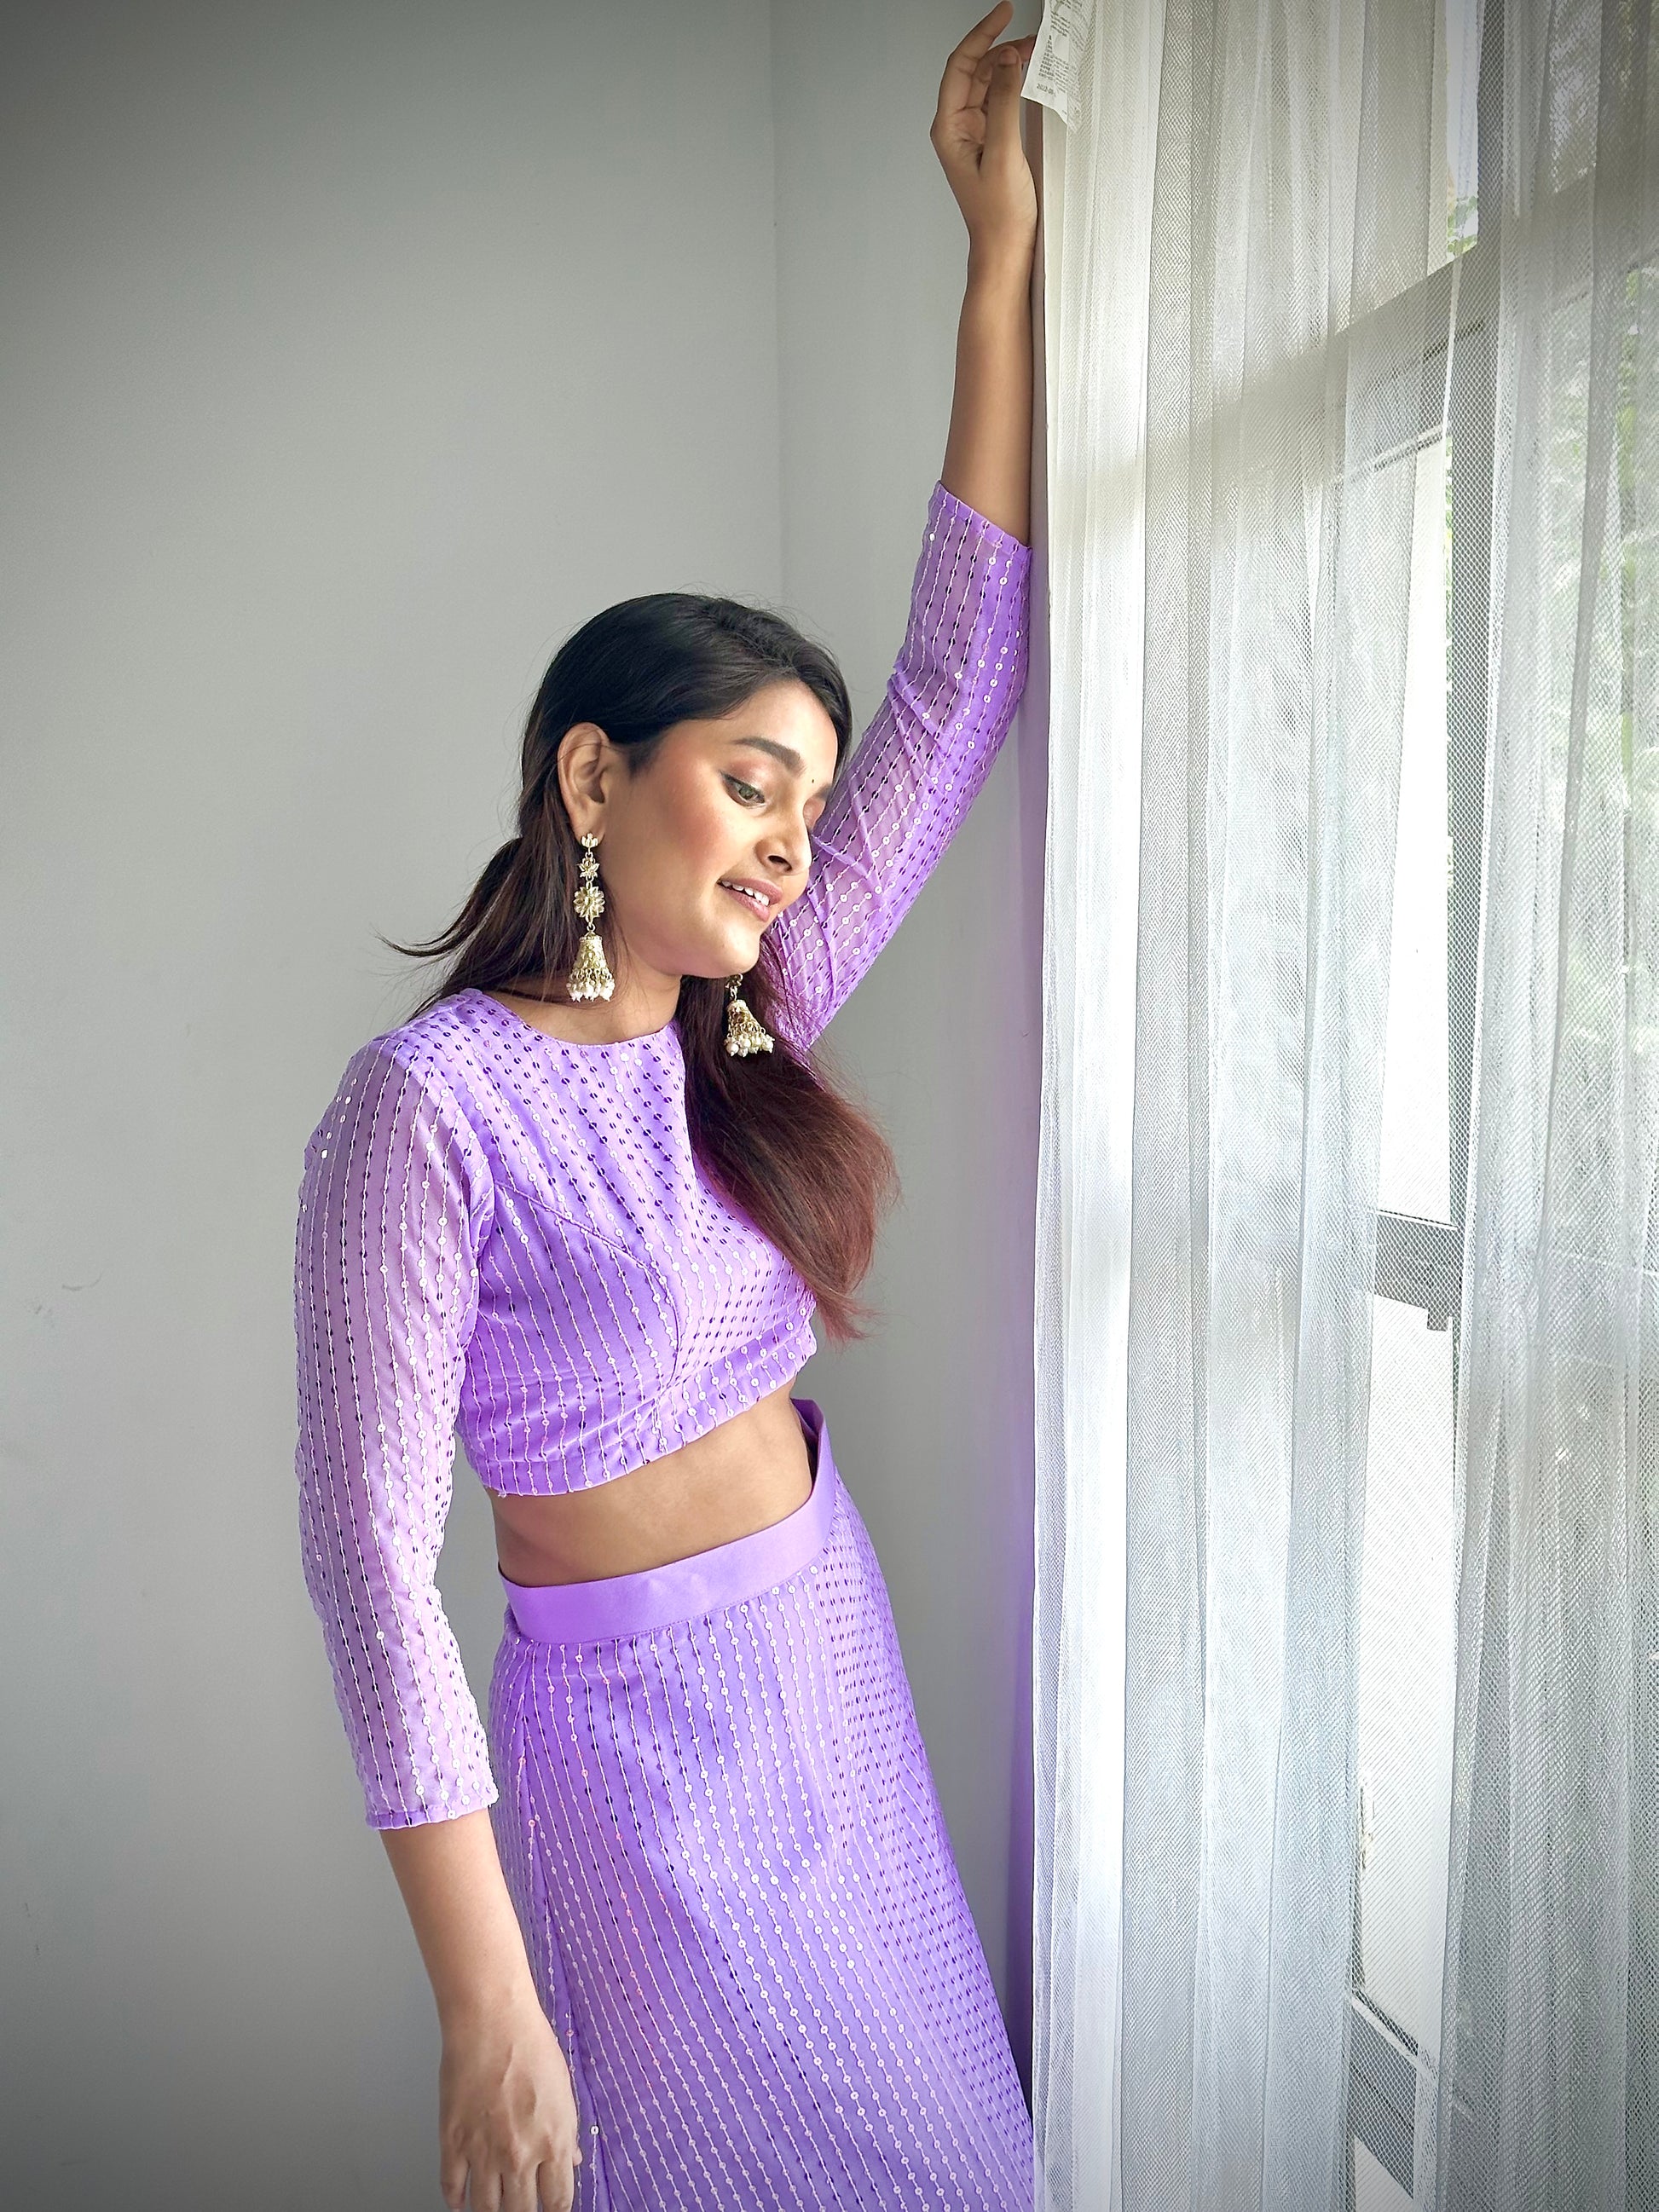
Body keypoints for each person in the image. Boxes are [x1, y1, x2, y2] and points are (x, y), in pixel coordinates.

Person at [292, 9, 1038, 2207]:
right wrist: (483, 1999)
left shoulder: (755, 1012)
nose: (798, 845)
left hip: (832, 1659)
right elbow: (367, 1561)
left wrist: (994, 260)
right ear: (596, 775)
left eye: (811, 807)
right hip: (629, 1772)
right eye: (753, 783)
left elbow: (961, 683)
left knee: (941, 2165)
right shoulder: (424, 1112)